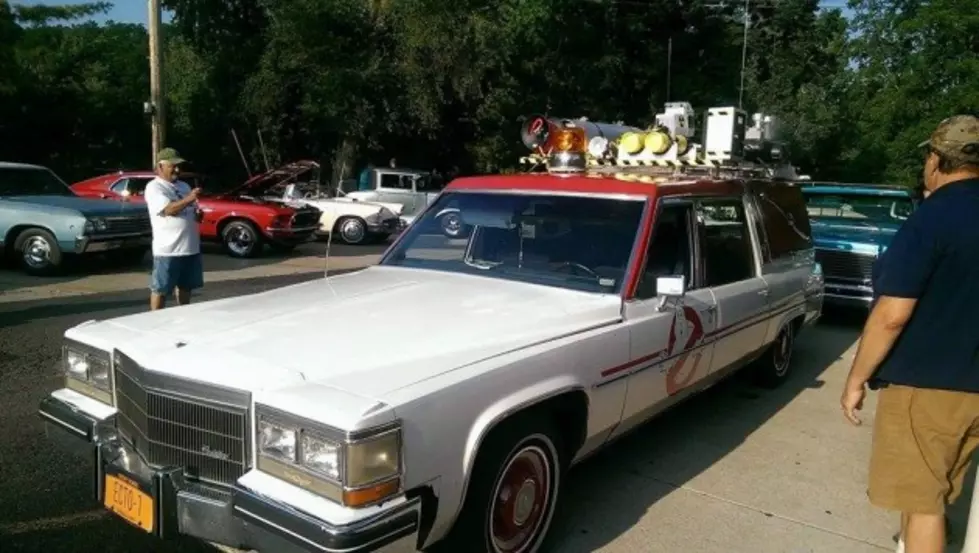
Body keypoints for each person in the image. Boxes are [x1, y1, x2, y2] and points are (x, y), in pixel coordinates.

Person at [841, 114, 979, 553]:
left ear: (935, 159)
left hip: (929, 387)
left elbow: (892, 316)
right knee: (938, 491)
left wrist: (855, 379)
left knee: (923, 505)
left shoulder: (933, 218)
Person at [144, 148, 204, 310]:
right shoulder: (154, 187)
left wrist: (197, 214)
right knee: (161, 289)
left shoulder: (184, 185)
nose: (177, 169)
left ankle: (183, 317)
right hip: (168, 250)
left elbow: (190, 209)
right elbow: (168, 209)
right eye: (173, 166)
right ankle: (156, 321)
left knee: (186, 287)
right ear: (160, 167)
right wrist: (190, 198)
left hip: (190, 248)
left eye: (179, 166)